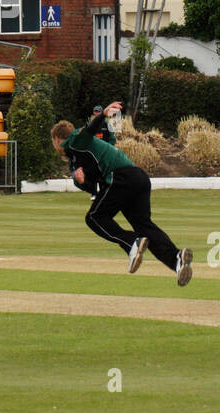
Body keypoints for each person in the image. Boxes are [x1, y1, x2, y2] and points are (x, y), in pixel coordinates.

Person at [53, 101, 193, 287]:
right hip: (138, 178)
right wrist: (82, 181)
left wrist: (103, 114)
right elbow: (95, 190)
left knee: (94, 218)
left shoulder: (76, 141)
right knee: (144, 226)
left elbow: (89, 130)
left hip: (122, 178)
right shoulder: (76, 160)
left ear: (56, 140)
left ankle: (131, 243)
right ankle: (177, 261)